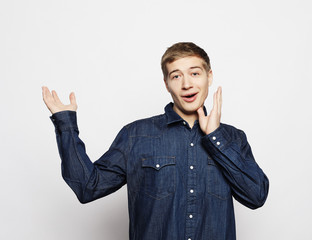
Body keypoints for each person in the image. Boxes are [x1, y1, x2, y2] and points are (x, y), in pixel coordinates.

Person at [42, 42, 269, 240]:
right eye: (176, 76)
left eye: (195, 73)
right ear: (166, 83)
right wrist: (66, 125)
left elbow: (256, 196)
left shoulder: (233, 139)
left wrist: (215, 137)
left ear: (209, 77)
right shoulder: (136, 135)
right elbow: (87, 188)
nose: (186, 84)